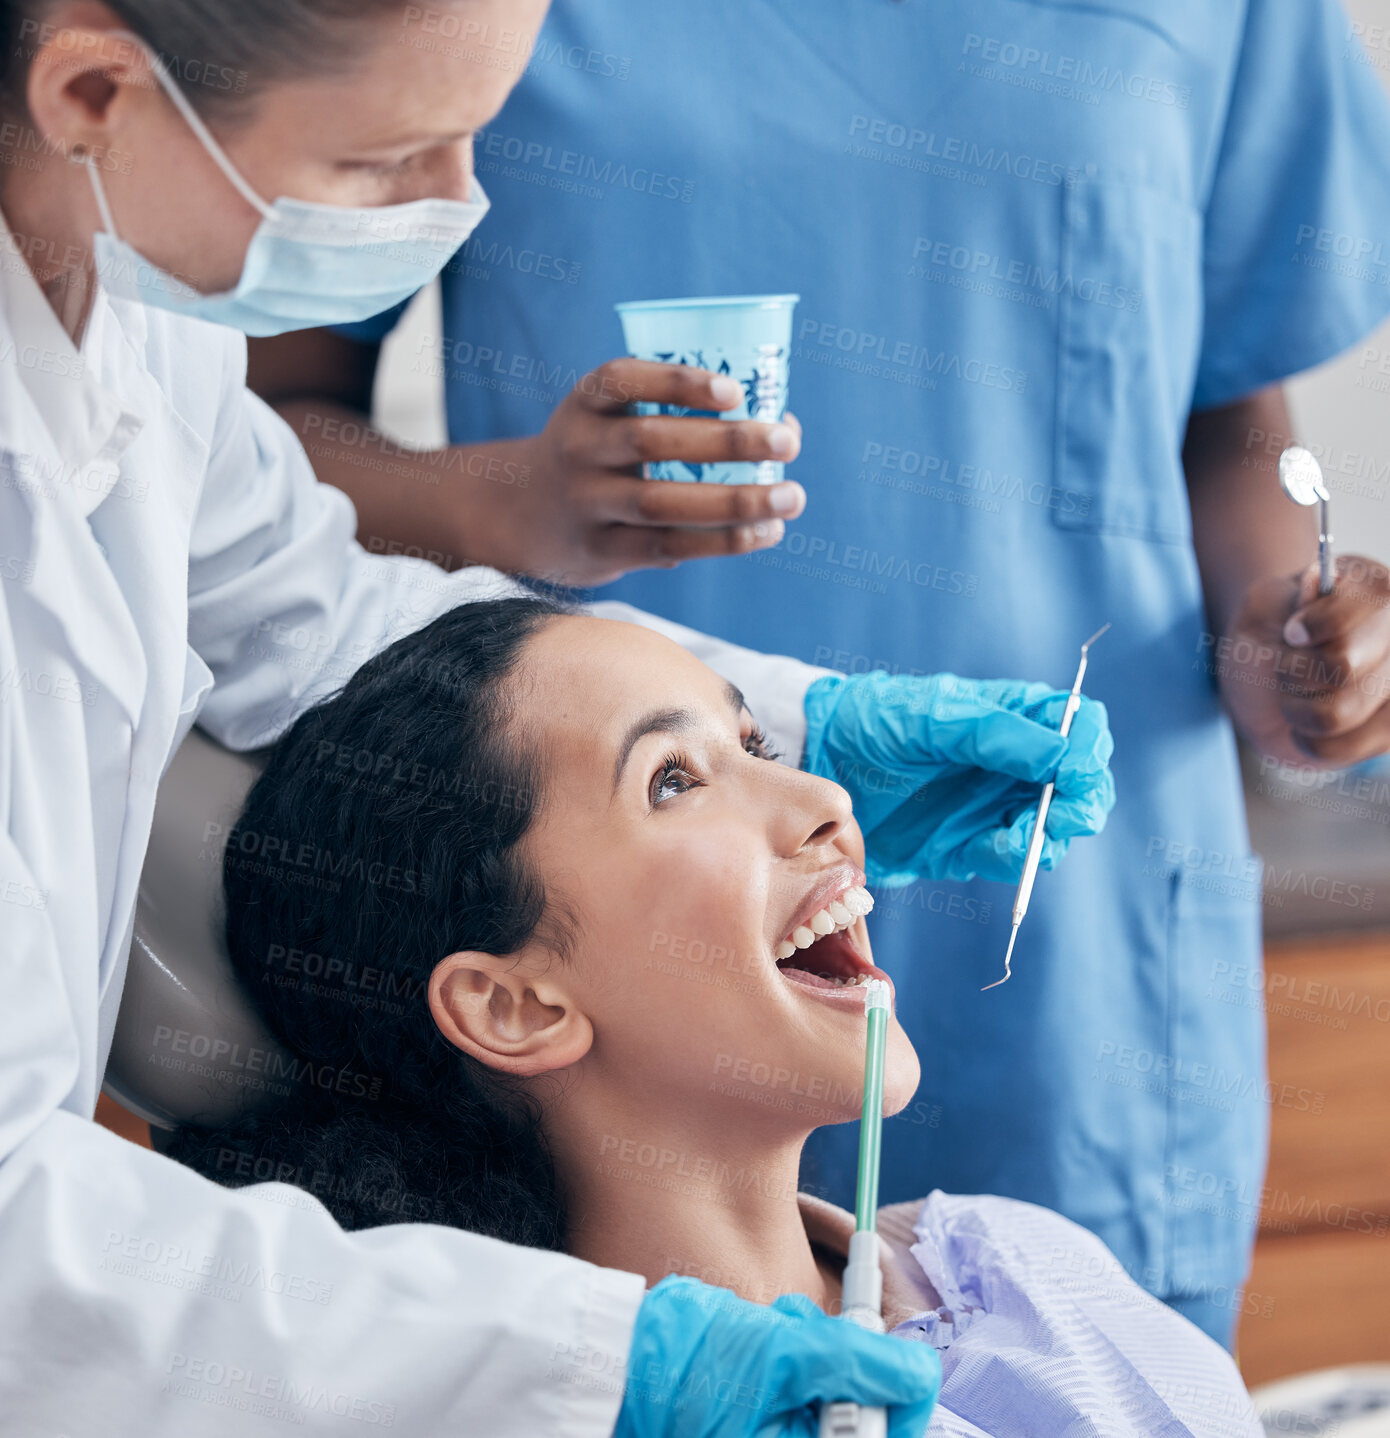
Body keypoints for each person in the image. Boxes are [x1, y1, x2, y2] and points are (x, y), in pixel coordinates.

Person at [0, 2, 1114, 1433]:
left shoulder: (141, 318)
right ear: (95, 92)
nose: (456, 203)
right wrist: (593, 1368)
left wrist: (807, 725)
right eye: (383, 159)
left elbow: (318, 624)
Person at [256, 0, 1390, 1345]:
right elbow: (245, 455)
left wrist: (1277, 640)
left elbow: (1225, 404)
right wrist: (513, 497)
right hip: (615, 970)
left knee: (1086, 1354)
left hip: (1078, 939)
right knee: (645, 1355)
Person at [169, 597, 1259, 1438]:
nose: (827, 804)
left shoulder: (1002, 1254)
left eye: (758, 748)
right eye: (675, 779)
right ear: (512, 1004)